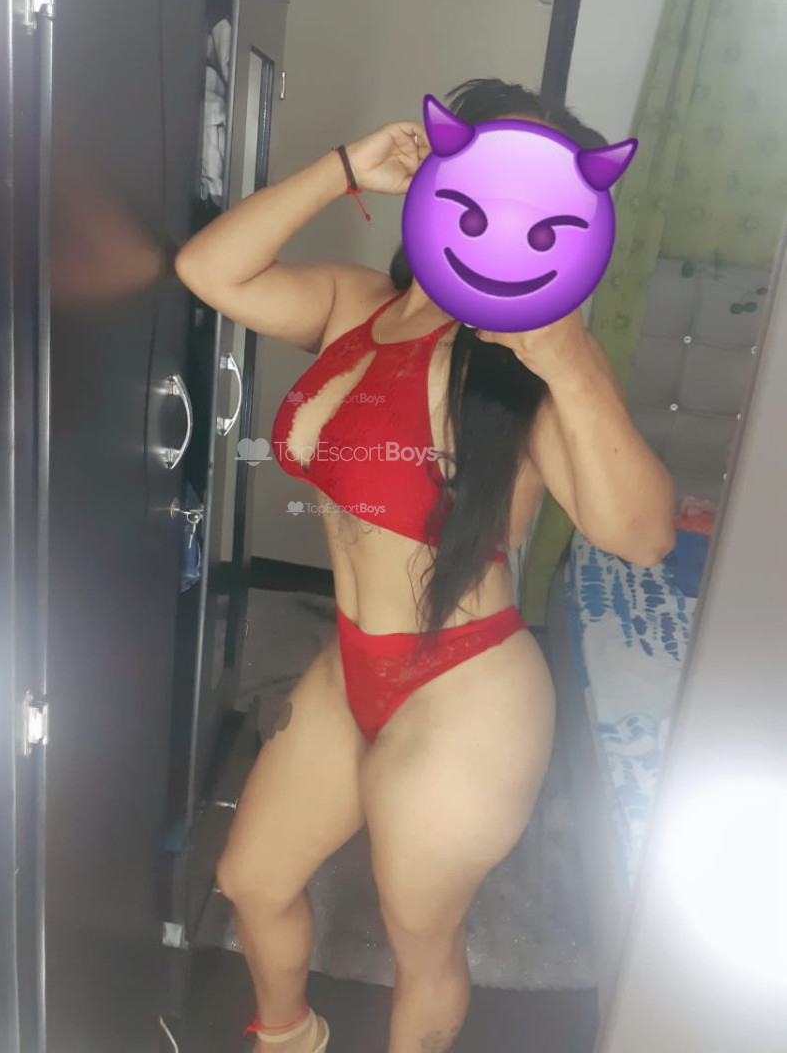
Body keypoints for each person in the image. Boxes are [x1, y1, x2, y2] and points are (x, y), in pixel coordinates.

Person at [174, 79, 676, 1053]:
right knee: (251, 879)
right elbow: (209, 270)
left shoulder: (528, 359)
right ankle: (290, 1038)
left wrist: (571, 360)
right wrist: (345, 170)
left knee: (421, 942)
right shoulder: (355, 305)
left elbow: (643, 536)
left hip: (467, 690)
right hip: (349, 661)